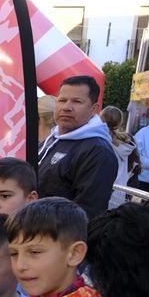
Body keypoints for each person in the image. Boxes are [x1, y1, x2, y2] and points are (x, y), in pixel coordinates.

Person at [37, 75, 117, 217]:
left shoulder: (98, 151)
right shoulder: (52, 140)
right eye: (62, 100)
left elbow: (88, 212)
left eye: (77, 101)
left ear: (93, 109)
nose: (66, 107)